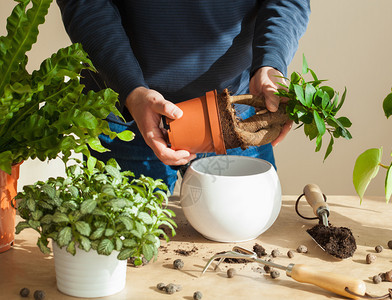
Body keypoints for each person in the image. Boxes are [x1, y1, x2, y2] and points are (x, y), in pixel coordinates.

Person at [56, 0, 311, 193]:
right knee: (122, 252)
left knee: (245, 251)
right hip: (125, 114)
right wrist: (130, 89)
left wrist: (271, 63)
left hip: (236, 117)